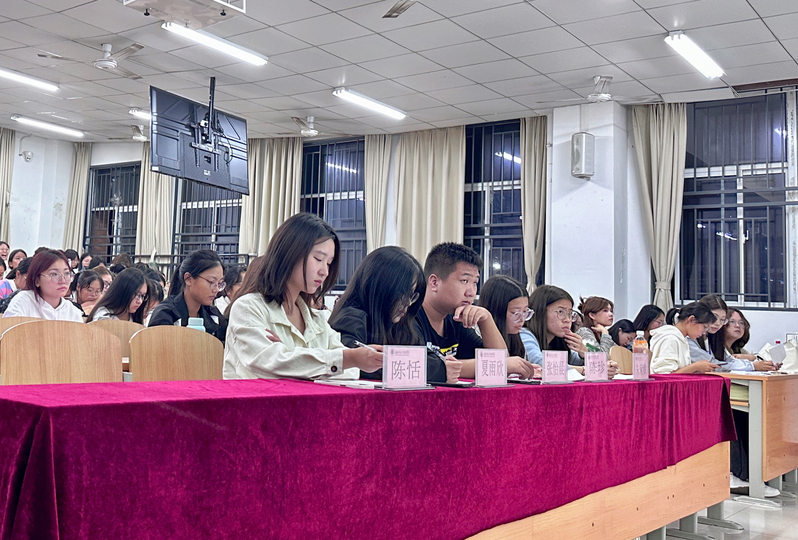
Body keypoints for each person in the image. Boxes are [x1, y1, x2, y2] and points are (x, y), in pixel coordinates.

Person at [224, 213, 382, 380]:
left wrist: (294, 358)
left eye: (329, 263)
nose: (325, 271)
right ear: (289, 253)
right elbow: (267, 362)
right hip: (255, 397)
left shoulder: (317, 320)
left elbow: (351, 370)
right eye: (318, 259)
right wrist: (335, 361)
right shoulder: (248, 308)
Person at [329, 246, 459, 383]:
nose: (408, 303)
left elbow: (425, 354)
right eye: (403, 294)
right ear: (381, 286)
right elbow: (357, 365)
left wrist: (440, 365)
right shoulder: (350, 318)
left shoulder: (400, 322)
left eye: (412, 296)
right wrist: (439, 370)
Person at [414, 242, 535, 380]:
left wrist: (486, 319)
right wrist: (499, 365)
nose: (471, 292)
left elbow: (499, 362)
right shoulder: (410, 318)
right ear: (434, 282)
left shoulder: (455, 320)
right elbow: (419, 366)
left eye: (475, 282)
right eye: (464, 281)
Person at [148, 250, 228, 342]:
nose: (216, 289)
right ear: (188, 279)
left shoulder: (214, 316)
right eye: (211, 282)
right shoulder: (165, 315)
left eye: (219, 283)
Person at [520, 285, 595, 375]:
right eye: (560, 312)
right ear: (541, 312)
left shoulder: (558, 340)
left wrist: (583, 352)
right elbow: (540, 362)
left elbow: (575, 361)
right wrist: (584, 370)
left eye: (570, 313)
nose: (567, 319)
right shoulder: (524, 334)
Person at [477, 275, 542, 378]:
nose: (522, 319)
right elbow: (498, 366)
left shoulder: (516, 335)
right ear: (497, 310)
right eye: (515, 313)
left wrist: (524, 368)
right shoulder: (476, 334)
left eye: (525, 312)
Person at [3, 249, 83, 321]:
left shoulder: (72, 311)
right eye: (54, 274)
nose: (63, 280)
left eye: (66, 273)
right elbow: (8, 330)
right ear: (37, 280)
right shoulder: (23, 301)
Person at [650, 302, 718, 374]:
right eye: (704, 327)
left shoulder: (681, 339)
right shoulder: (670, 339)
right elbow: (665, 376)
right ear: (691, 320)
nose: (704, 332)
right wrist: (695, 367)